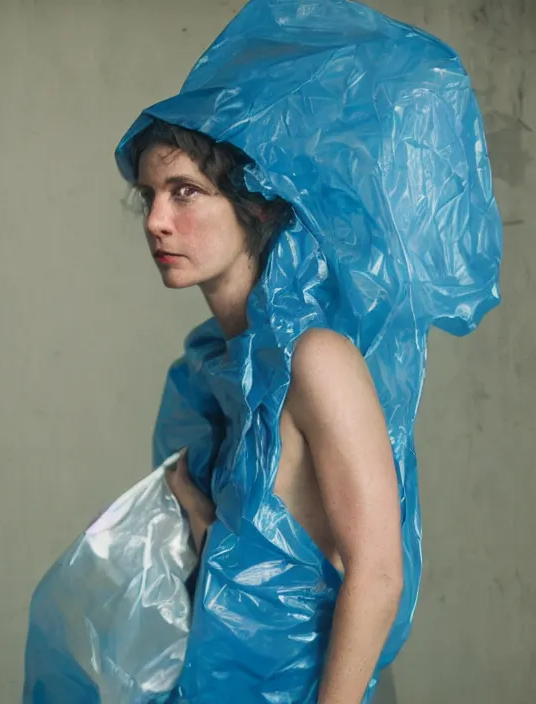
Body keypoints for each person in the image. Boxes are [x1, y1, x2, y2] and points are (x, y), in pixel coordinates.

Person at [129, 119, 404, 703]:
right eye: (148, 196)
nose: (156, 220)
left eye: (184, 192)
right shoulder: (212, 371)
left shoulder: (316, 360)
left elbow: (378, 574)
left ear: (256, 208)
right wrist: (204, 524)